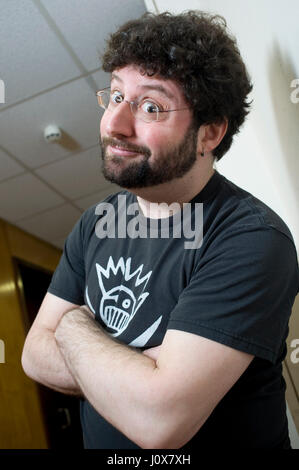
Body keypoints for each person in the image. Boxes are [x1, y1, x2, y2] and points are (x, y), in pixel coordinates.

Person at [22, 11, 299, 449]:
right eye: (115, 96)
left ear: (209, 133)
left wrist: (75, 326)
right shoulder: (94, 225)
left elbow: (157, 420)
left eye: (151, 106)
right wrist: (140, 375)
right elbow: (34, 355)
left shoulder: (252, 237)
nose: (115, 123)